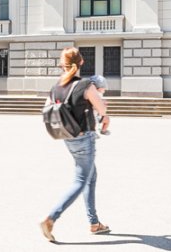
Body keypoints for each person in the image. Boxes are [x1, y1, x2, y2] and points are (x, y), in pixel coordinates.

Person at [40, 47, 110, 242]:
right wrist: (105, 114)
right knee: (80, 181)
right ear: (81, 63)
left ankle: (94, 223)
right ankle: (50, 218)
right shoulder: (85, 85)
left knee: (90, 175)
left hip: (67, 137)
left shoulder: (57, 87)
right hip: (84, 138)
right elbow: (102, 107)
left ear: (62, 64)